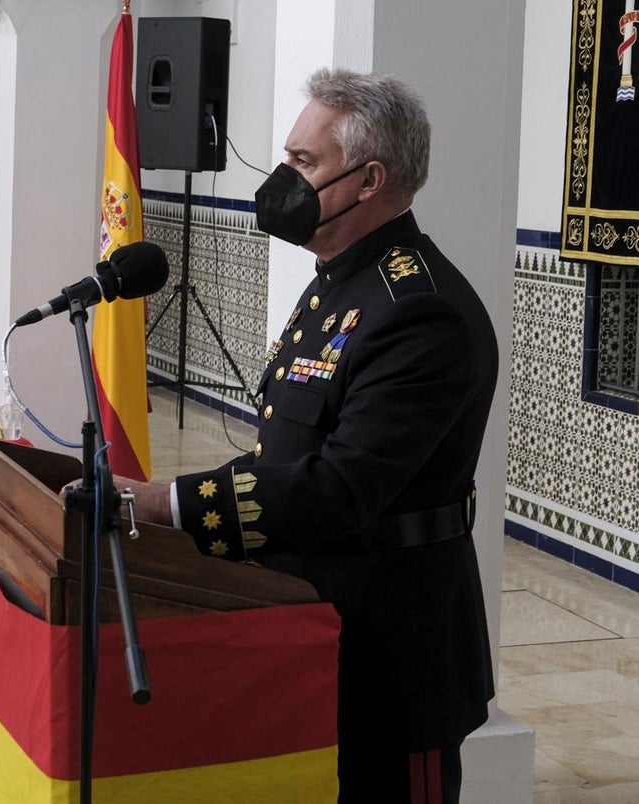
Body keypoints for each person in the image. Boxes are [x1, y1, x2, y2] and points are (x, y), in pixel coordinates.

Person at [125, 69, 497, 803]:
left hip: (395, 648)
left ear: (368, 180)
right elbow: (285, 455)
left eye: (304, 163)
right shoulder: (337, 281)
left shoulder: (418, 309)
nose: (282, 178)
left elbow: (340, 487)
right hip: (312, 618)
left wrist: (171, 504)